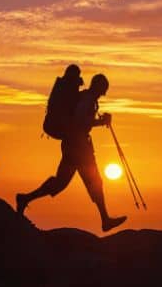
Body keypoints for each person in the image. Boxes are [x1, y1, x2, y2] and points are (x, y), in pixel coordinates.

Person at [17, 73, 127, 232]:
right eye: (103, 89)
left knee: (62, 183)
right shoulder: (87, 100)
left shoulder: (87, 98)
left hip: (75, 145)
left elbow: (80, 120)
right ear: (98, 87)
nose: (104, 93)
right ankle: (105, 220)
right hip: (79, 147)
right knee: (93, 182)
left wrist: (99, 120)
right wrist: (100, 122)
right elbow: (80, 122)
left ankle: (25, 198)